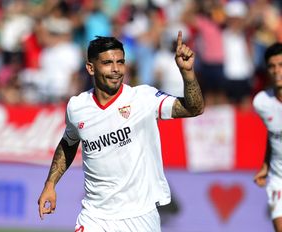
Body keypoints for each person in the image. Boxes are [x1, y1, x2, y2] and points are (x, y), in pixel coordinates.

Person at [38, 31, 204, 232]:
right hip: (95, 216)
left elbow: (194, 108)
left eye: (120, 62)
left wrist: (188, 74)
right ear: (91, 68)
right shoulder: (77, 107)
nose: (116, 69)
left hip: (140, 216)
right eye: (107, 63)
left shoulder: (143, 98)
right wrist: (50, 184)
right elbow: (68, 143)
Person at [253, 42, 282, 232]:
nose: (276, 71)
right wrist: (265, 165)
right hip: (277, 178)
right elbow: (274, 135)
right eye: (272, 66)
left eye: (281, 65)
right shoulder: (261, 101)